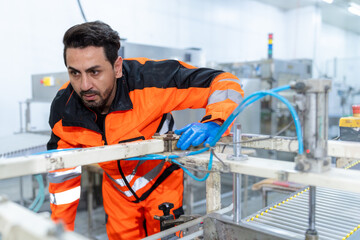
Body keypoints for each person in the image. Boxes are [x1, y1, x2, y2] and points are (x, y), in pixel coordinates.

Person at [47, 20, 244, 240]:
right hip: (117, 194)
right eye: (75, 73)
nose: (84, 85)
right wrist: (60, 232)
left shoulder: (153, 80)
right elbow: (62, 176)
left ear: (117, 66)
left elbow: (225, 81)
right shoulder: (64, 110)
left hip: (163, 185)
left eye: (94, 72)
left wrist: (215, 121)